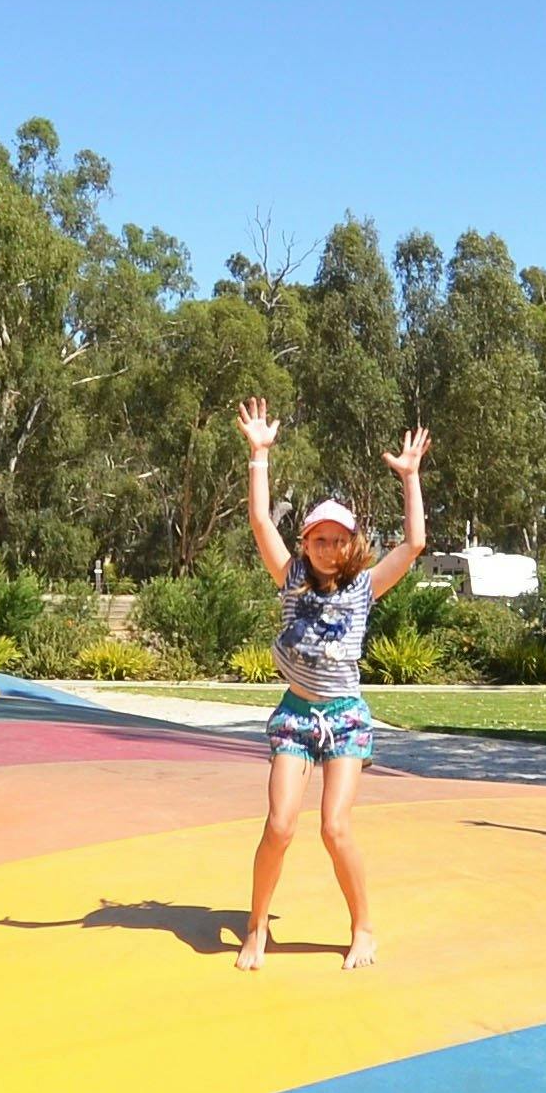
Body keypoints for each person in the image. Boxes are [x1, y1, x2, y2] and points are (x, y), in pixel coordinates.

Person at [237, 398, 430, 971]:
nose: (327, 548)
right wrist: (259, 456)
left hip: (345, 716)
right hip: (296, 715)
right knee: (279, 825)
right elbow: (259, 521)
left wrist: (410, 478)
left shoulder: (364, 588)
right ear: (306, 545)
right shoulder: (290, 577)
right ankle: (255, 927)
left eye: (337, 539)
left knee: (334, 826)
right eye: (317, 539)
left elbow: (415, 543)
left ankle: (363, 927)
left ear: (351, 544)